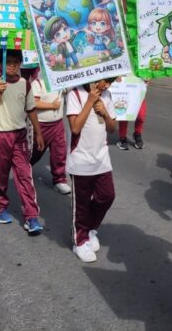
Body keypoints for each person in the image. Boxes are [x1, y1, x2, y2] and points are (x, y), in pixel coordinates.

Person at [0, 50, 44, 235]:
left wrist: (39, 133)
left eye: (15, 62)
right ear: (1, 64)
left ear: (20, 64)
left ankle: (31, 217)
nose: (12, 65)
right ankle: (0, 206)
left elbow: (31, 109)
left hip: (20, 135)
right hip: (1, 135)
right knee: (1, 175)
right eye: (8, 62)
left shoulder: (25, 84)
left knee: (25, 175)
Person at [66, 78, 118, 262]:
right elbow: (75, 128)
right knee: (81, 205)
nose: (107, 85)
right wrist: (89, 101)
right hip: (81, 159)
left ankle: (89, 228)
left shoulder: (108, 95)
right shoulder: (75, 93)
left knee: (107, 196)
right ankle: (79, 241)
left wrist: (105, 113)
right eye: (106, 81)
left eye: (111, 82)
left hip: (102, 158)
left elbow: (112, 128)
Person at [29, 67, 70, 194]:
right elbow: (33, 103)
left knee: (60, 152)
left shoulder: (61, 81)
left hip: (57, 123)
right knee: (36, 151)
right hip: (41, 125)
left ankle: (59, 180)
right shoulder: (37, 83)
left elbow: (69, 90)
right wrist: (51, 106)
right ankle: (24, 167)